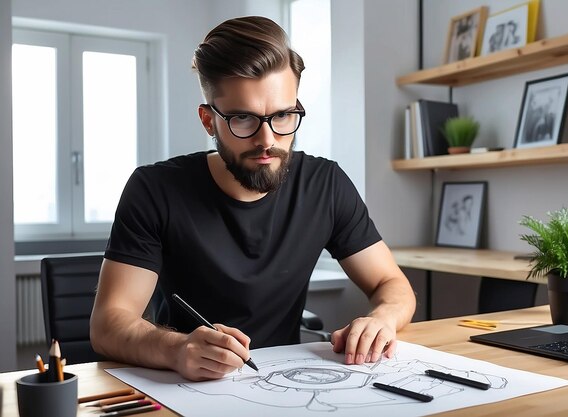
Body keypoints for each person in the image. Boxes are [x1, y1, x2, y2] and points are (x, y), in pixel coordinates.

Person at [90, 16, 416, 382]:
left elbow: (393, 285)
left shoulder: (326, 184)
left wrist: (381, 319)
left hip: (288, 384)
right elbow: (107, 324)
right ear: (208, 121)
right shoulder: (154, 189)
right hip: (185, 385)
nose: (267, 140)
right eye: (243, 119)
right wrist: (176, 348)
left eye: (283, 115)